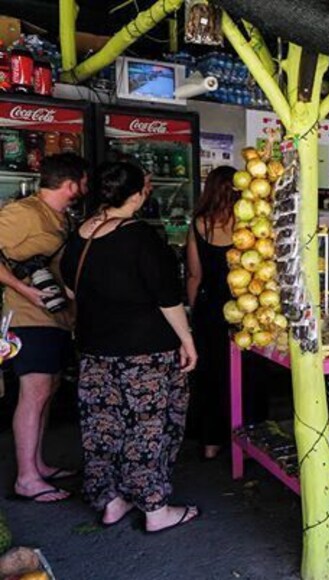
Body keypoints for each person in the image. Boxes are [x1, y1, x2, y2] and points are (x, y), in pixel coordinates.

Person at [59, 162, 200, 532]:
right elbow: (167, 298)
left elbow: (70, 290)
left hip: (95, 353)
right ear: (136, 195)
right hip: (145, 354)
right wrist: (187, 340)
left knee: (103, 428)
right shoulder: (141, 237)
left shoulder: (81, 234)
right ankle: (155, 509)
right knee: (148, 428)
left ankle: (111, 501)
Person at [0, 153, 89, 504]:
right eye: (83, 182)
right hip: (27, 318)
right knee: (34, 391)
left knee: (48, 388)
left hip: (54, 318)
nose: (86, 188)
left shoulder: (59, 217)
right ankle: (26, 479)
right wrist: (25, 290)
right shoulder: (23, 213)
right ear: (71, 184)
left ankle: (37, 464)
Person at [185, 166, 236, 460]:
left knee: (211, 375)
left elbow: (194, 275)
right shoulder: (248, 225)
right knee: (244, 373)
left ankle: (211, 443)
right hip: (244, 308)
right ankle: (245, 435)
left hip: (210, 309)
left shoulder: (199, 224)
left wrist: (193, 313)